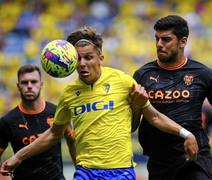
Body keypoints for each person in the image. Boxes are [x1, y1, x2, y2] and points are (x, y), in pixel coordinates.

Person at [1, 26, 198, 180]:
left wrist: (185, 133)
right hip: (86, 171)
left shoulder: (123, 81)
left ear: (101, 58)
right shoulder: (69, 94)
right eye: (77, 59)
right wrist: (17, 157)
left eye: (88, 57)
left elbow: (154, 116)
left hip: (120, 171)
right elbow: (54, 133)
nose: (82, 63)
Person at [133, 15, 212, 180]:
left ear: (183, 41)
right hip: (160, 159)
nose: (159, 44)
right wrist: (136, 107)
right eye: (157, 39)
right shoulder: (143, 75)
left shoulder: (203, 74)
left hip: (196, 154)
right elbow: (132, 125)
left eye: (166, 39)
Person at [0, 65, 76, 180]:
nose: (29, 86)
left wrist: (79, 169)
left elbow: (72, 141)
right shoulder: (8, 121)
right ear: (18, 86)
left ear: (41, 84)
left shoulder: (57, 112)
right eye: (24, 82)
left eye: (34, 82)